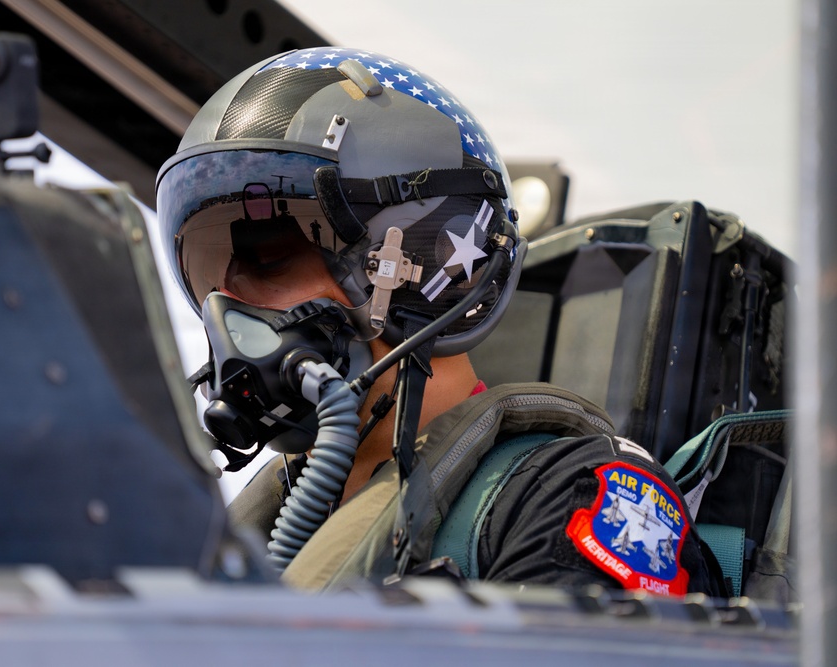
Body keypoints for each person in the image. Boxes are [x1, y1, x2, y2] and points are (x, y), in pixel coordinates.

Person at [156, 47, 716, 595]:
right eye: (210, 278)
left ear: (414, 271)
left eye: (269, 258)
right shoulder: (240, 543)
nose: (223, 308)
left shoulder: (566, 499)